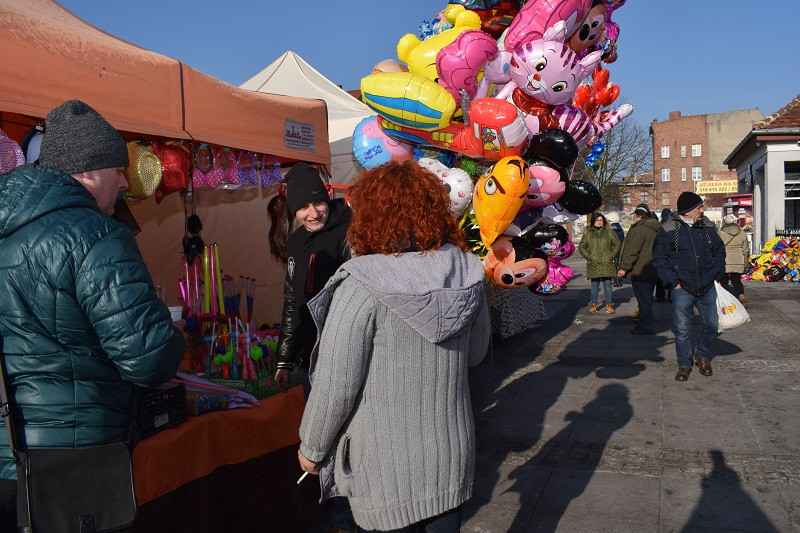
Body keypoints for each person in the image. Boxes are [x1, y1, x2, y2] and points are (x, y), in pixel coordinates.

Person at [0, 100, 184, 528]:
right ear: (86, 171)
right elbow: (149, 359)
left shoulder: (7, 231)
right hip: (76, 459)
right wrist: (172, 334)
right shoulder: (97, 237)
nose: (124, 183)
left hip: (10, 454)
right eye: (117, 170)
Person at [296, 161, 490, 533]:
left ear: (369, 215)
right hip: (451, 455)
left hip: (385, 470)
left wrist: (313, 448)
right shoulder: (468, 271)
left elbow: (336, 386)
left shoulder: (361, 284)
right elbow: (477, 354)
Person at [270, 161, 355, 532]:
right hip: (309, 357)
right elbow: (292, 300)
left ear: (328, 197)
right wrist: (284, 358)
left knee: (343, 434)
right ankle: (334, 511)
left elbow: (357, 295)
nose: (312, 212)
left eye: (317, 203)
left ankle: (349, 516)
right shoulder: (296, 239)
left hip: (343, 351)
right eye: (304, 207)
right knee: (320, 435)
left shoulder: (349, 232)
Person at [652, 192, 726, 381]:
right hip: (682, 287)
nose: (702, 210)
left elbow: (719, 250)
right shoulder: (668, 228)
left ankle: (702, 354)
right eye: (698, 207)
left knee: (711, 325)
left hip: (707, 284)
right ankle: (684, 365)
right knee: (682, 329)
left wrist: (718, 273)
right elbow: (659, 258)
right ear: (687, 211)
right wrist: (672, 282)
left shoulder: (708, 226)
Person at [617, 204, 661, 335]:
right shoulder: (656, 228)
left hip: (641, 271)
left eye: (635, 216)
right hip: (653, 269)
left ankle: (646, 325)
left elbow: (632, 251)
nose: (634, 218)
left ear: (640, 216)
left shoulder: (640, 230)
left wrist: (623, 268)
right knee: (647, 299)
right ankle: (644, 321)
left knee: (644, 300)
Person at [579, 212, 621, 314]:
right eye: (597, 220)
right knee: (594, 284)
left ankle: (609, 305)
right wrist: (589, 256)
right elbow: (581, 247)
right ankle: (594, 304)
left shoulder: (609, 232)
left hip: (607, 262)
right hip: (594, 263)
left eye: (601, 220)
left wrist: (611, 255)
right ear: (593, 221)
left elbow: (617, 244)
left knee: (607, 284)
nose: (599, 222)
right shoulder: (588, 232)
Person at [719, 214, 750, 309]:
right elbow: (746, 250)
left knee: (723, 282)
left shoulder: (720, 233)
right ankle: (742, 297)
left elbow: (717, 247)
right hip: (738, 260)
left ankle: (726, 301)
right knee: (736, 281)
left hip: (725, 260)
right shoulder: (742, 233)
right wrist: (745, 262)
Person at [654, 208, 673, 302]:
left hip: (661, 252)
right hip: (671, 254)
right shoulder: (672, 225)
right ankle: (670, 296)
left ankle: (660, 296)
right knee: (671, 275)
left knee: (660, 276)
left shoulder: (659, 225)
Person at [606, 212, 625, 287]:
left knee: (612, 265)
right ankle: (618, 279)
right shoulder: (621, 229)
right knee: (617, 264)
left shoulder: (609, 230)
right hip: (619, 248)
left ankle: (615, 280)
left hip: (611, 249)